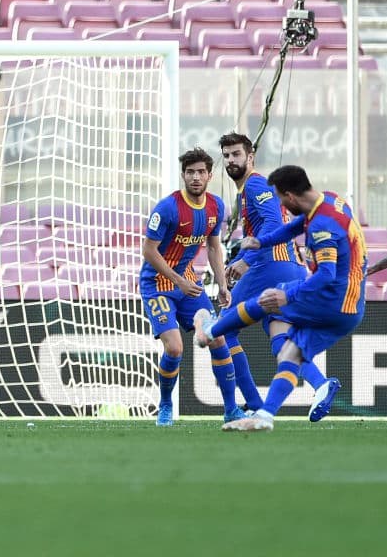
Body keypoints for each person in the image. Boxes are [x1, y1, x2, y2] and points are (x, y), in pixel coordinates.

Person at [195, 165, 367, 431]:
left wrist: (288, 295)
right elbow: (293, 227)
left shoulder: (322, 227)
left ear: (290, 196)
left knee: (265, 300)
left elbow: (326, 275)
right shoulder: (330, 200)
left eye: (281, 199)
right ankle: (265, 415)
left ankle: (211, 330)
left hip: (333, 299)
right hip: (353, 308)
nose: (281, 206)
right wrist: (261, 243)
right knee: (290, 352)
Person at [218, 133, 338, 420]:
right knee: (282, 339)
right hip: (289, 267)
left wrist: (248, 260)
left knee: (222, 331)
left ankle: (252, 402)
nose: (231, 160)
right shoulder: (246, 190)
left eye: (236, 154)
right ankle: (321, 385)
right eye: (226, 155)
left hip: (271, 266)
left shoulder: (255, 183)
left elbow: (272, 221)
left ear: (250, 157)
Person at [140, 147, 241, 426]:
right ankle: (164, 405)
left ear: (209, 175)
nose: (195, 177)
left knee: (217, 337)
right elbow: (149, 251)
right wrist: (179, 281)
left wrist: (222, 284)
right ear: (183, 175)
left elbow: (213, 246)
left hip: (189, 286)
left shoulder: (216, 206)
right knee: (174, 349)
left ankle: (231, 410)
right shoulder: (168, 208)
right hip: (158, 286)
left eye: (200, 172)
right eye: (190, 172)